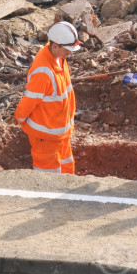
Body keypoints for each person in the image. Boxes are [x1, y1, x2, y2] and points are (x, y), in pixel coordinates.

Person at [15, 22, 79, 173]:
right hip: (46, 135)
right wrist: (20, 117)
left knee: (66, 165)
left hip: (60, 132)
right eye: (67, 49)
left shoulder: (59, 58)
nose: (70, 53)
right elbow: (30, 101)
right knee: (47, 175)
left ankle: (67, 194)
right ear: (55, 45)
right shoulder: (43, 71)